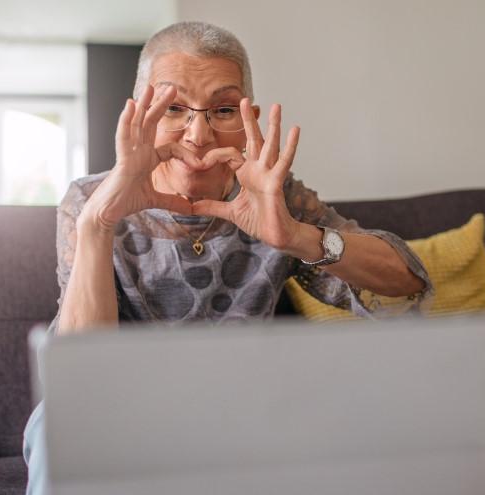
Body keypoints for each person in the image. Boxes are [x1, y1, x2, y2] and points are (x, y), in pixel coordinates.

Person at [22, 21, 432, 494]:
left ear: (247, 119)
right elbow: (79, 383)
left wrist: (298, 236)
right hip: (121, 413)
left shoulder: (276, 197)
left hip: (240, 414)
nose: (198, 134)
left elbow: (407, 283)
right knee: (58, 425)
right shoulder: (90, 200)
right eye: (174, 108)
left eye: (220, 110)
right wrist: (97, 224)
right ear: (138, 116)